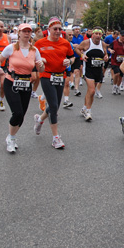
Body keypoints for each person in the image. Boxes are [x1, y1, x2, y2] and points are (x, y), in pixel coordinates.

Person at [0, 24, 45, 153]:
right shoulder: (11, 48)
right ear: (19, 33)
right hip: (11, 82)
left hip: (26, 83)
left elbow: (41, 69)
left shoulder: (34, 50)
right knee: (16, 112)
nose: (27, 34)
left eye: (29, 32)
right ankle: (11, 139)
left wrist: (41, 65)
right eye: (24, 31)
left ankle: (11, 136)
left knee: (21, 115)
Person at [32, 17, 75, 149]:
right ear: (49, 29)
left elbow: (72, 56)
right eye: (55, 29)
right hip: (46, 76)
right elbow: (32, 58)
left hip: (60, 76)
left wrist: (70, 61)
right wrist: (40, 61)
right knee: (54, 106)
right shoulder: (40, 43)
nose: (57, 31)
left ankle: (40, 120)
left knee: (54, 105)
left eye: (59, 29)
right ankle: (56, 138)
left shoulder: (65, 43)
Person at [75, 27, 109, 121]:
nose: (98, 36)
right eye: (96, 34)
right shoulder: (87, 43)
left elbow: (105, 54)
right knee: (92, 90)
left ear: (102, 35)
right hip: (88, 69)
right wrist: (82, 55)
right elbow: (77, 49)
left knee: (90, 92)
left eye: (100, 34)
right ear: (92, 34)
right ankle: (88, 112)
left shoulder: (103, 44)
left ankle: (84, 108)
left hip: (98, 70)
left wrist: (106, 57)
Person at [108, 31, 124, 95]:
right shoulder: (114, 42)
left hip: (122, 61)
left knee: (121, 76)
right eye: (122, 36)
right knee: (116, 74)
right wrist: (111, 50)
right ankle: (114, 86)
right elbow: (109, 47)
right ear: (119, 36)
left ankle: (117, 87)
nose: (123, 37)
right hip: (115, 60)